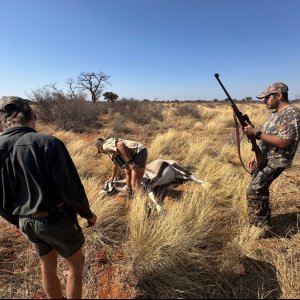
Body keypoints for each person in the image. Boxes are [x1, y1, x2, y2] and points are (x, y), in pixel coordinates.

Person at [0, 96, 97, 299]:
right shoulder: (47, 142)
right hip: (54, 219)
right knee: (76, 264)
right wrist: (87, 214)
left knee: (47, 265)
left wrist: (18, 221)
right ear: (30, 116)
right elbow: (70, 188)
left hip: (25, 221)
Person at [242, 83, 300, 228]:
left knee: (255, 190)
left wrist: (256, 132)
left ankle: (259, 227)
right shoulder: (275, 115)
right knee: (259, 189)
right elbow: (266, 139)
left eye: (267, 97)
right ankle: (260, 221)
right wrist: (256, 154)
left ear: (279, 96)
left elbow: (284, 141)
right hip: (266, 158)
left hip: (277, 160)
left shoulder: (291, 114)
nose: (264, 101)